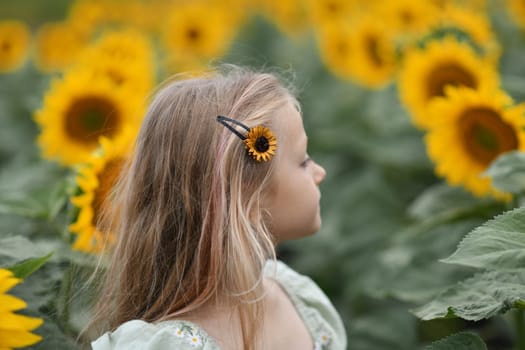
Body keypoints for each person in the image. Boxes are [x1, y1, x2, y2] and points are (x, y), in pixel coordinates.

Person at [89, 66, 347, 350]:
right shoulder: (167, 345)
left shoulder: (298, 297)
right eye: (304, 160)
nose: (319, 172)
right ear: (247, 198)